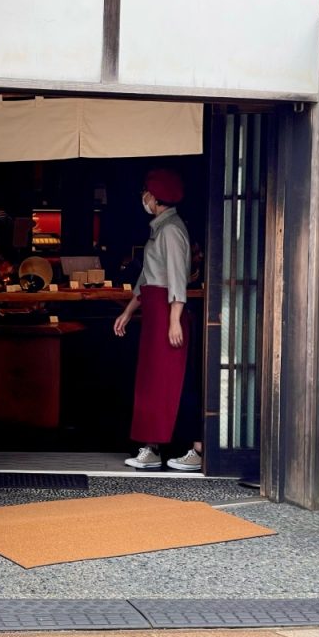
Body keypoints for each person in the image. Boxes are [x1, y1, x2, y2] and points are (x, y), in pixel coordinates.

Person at [113, 169, 202, 471]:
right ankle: (151, 447)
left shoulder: (172, 230)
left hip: (166, 314)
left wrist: (175, 318)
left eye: (146, 193)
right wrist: (128, 310)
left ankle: (192, 448)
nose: (144, 198)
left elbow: (177, 276)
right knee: (152, 382)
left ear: (154, 196)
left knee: (174, 382)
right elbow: (146, 278)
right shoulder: (160, 228)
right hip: (155, 313)